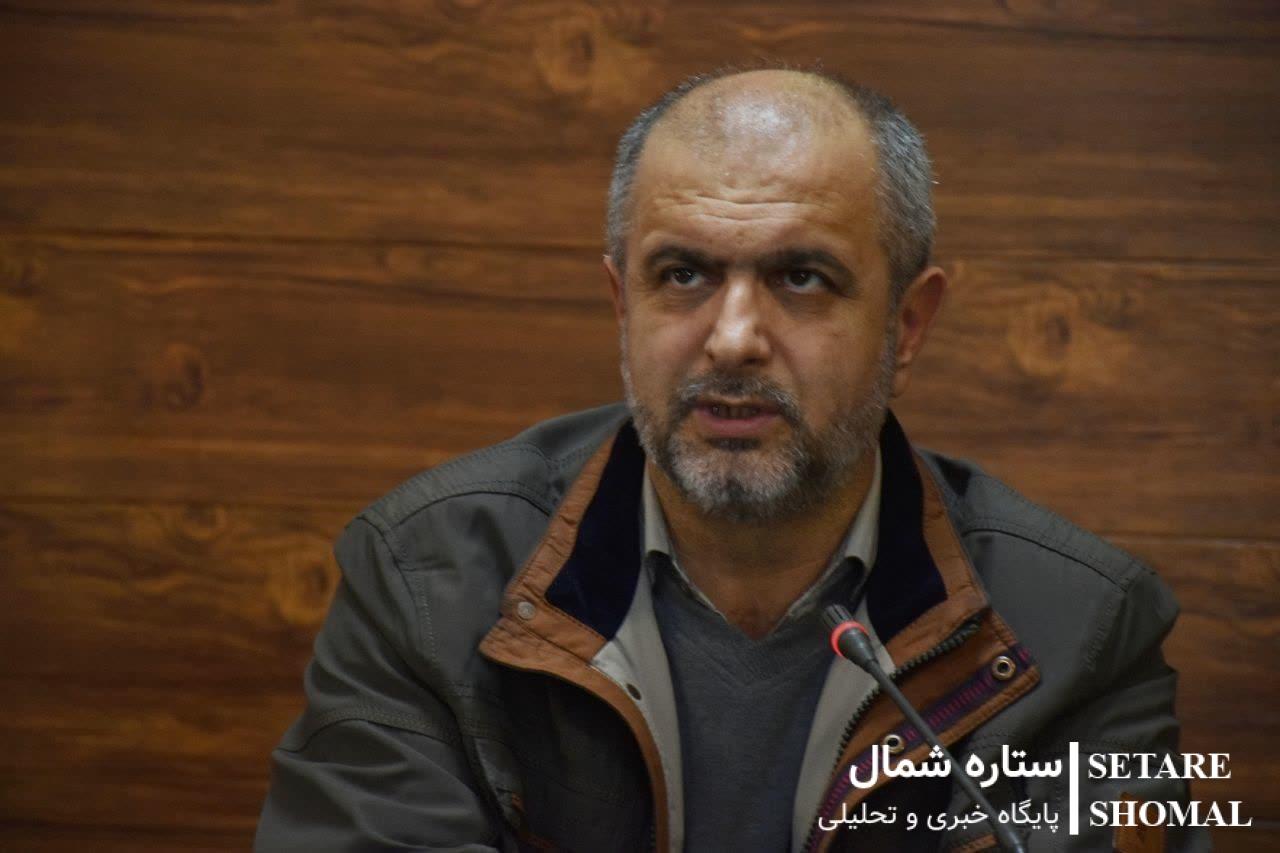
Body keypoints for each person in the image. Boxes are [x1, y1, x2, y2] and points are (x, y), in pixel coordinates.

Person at [256, 68, 1205, 852]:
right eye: (683, 275)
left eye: (801, 277)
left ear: (907, 325)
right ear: (623, 307)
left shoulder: (1081, 633)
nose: (734, 338)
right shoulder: (427, 580)